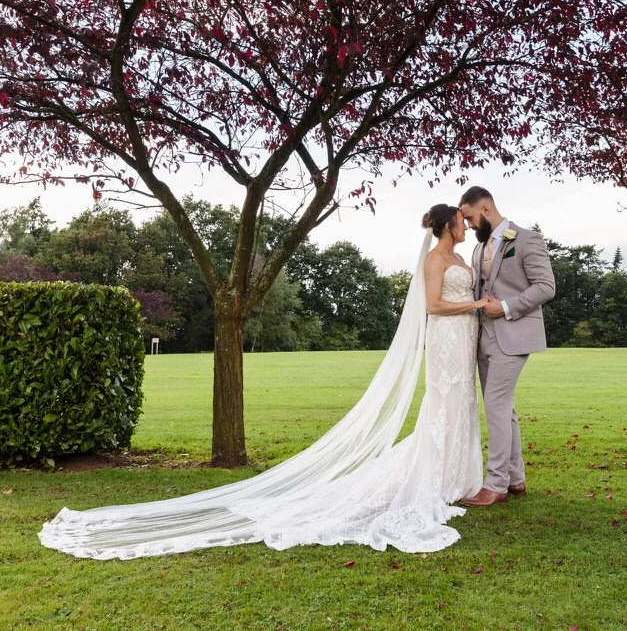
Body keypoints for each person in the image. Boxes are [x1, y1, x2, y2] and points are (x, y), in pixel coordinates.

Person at [39, 204, 488, 558]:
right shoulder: (434, 259)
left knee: (461, 404)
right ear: (448, 224)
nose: (466, 227)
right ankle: (437, 479)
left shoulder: (462, 257)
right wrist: (473, 306)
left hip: (463, 339)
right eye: (461, 222)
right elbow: (432, 306)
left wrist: (475, 308)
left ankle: (456, 476)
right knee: (443, 405)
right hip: (448, 337)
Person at [457, 186, 555, 507]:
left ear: (485, 210)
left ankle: (495, 484)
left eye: (470, 218)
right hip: (483, 339)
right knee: (503, 408)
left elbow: (545, 287)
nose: (468, 225)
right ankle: (515, 479)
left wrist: (506, 307)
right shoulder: (477, 249)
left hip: (513, 335)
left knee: (496, 406)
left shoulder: (527, 239)